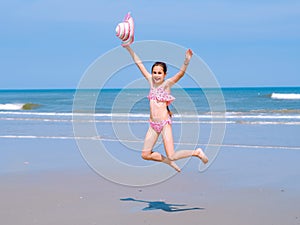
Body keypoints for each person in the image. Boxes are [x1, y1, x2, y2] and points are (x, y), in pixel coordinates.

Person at [124, 45, 208, 172]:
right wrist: (128, 48)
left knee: (172, 155)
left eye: (159, 73)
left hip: (164, 124)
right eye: (154, 72)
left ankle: (196, 152)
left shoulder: (166, 84)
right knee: (145, 155)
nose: (156, 75)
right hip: (153, 125)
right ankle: (168, 162)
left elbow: (181, 74)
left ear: (164, 74)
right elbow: (139, 63)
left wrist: (186, 61)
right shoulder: (150, 82)